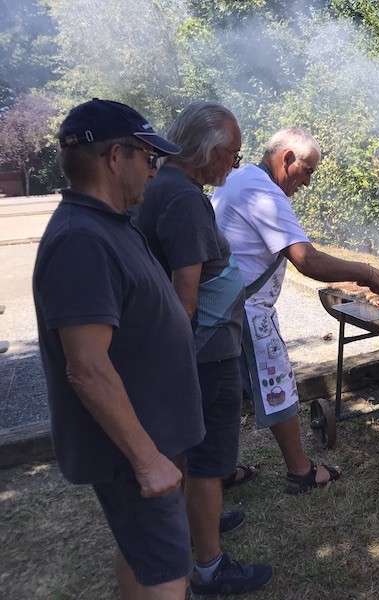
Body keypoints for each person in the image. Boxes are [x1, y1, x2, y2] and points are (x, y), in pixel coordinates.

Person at [33, 98, 204, 599]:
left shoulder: (109, 224)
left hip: (150, 439)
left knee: (144, 556)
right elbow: (86, 368)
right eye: (149, 160)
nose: (154, 174)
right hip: (134, 451)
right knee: (169, 573)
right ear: (114, 157)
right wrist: (147, 459)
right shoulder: (82, 240)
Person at [211, 126, 379, 494]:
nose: (308, 182)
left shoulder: (241, 176)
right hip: (245, 308)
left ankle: (218, 469)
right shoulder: (264, 192)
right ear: (287, 159)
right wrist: (367, 272)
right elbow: (307, 260)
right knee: (276, 380)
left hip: (222, 305)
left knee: (224, 391)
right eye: (308, 170)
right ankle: (300, 471)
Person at [134, 101, 271, 596]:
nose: (233, 166)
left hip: (193, 350)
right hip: (206, 351)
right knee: (212, 458)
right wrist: (178, 362)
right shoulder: (186, 198)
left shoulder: (162, 185)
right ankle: (210, 565)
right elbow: (184, 294)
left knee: (193, 453)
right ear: (210, 152)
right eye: (232, 156)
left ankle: (201, 525)